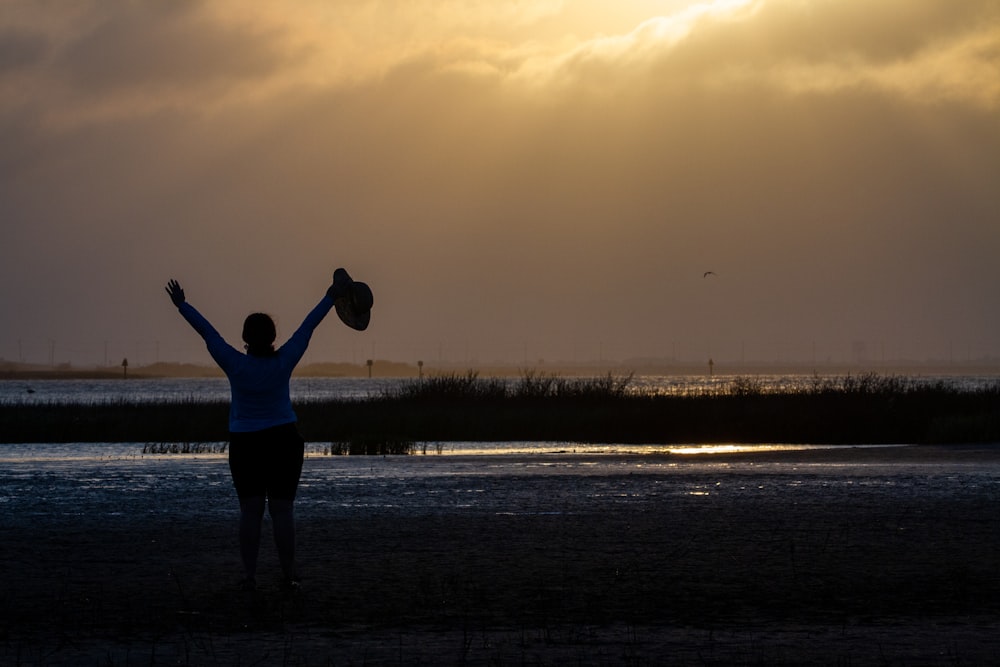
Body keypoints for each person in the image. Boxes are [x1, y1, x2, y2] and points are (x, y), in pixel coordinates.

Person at [164, 269, 373, 591]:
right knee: (282, 511)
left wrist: (183, 305)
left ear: (246, 338)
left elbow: (208, 334)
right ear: (273, 337)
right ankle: (288, 575)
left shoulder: (235, 363)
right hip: (283, 442)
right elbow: (309, 325)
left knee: (250, 512)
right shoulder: (284, 359)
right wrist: (332, 295)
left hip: (246, 444)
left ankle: (250, 576)